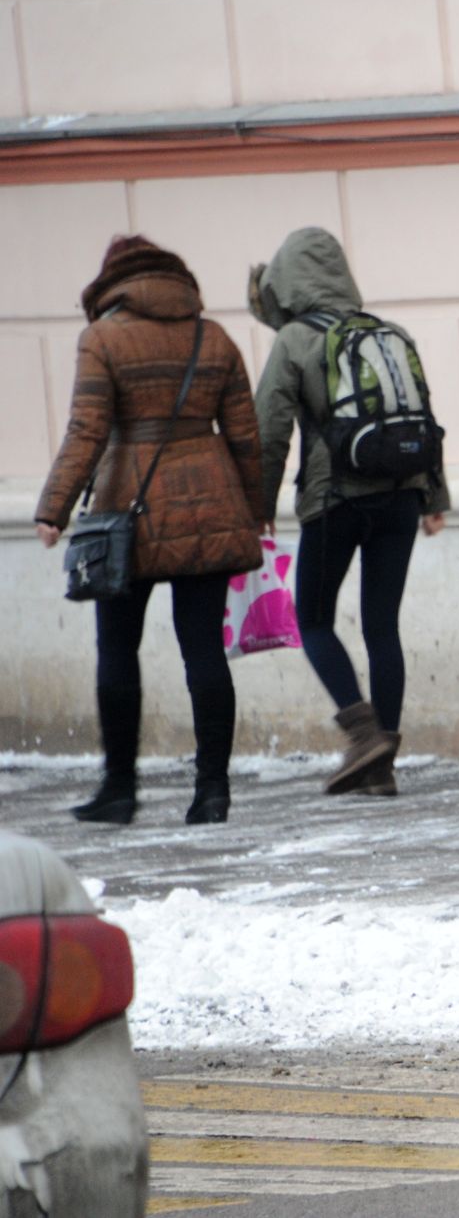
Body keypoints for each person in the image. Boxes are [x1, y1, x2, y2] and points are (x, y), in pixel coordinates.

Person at [35, 236, 264, 826]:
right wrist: (257, 506)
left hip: (125, 511)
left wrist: (53, 508)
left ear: (113, 282)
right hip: (208, 506)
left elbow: (87, 430)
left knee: (116, 649)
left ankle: (119, 789)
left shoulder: (103, 338)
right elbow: (245, 434)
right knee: (204, 651)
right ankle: (212, 790)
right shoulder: (212, 336)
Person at [252, 227, 450, 797]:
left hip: (334, 498)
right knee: (381, 625)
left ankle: (363, 737)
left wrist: (260, 504)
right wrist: (434, 498)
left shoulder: (294, 340)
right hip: (401, 494)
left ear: (287, 280)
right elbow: (424, 418)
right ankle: (382, 765)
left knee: (311, 618)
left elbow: (270, 430)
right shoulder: (391, 333)